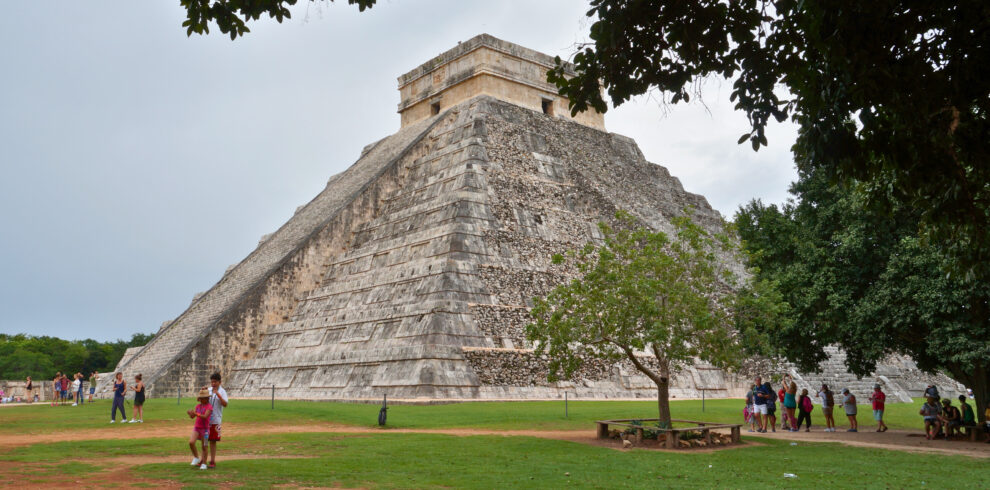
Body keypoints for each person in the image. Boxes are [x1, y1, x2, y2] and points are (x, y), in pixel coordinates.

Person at [206, 372, 228, 469]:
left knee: (213, 441)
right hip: (206, 419)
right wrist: (203, 393)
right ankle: (203, 460)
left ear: (220, 382)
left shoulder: (222, 391)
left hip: (216, 420)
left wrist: (218, 395)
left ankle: (212, 461)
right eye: (212, 382)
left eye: (215, 382)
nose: (213, 384)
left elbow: (225, 404)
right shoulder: (209, 390)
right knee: (204, 440)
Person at [187, 388, 212, 470]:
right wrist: (190, 414)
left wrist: (195, 413)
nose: (200, 400)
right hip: (197, 427)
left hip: (205, 430)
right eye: (200, 398)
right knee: (191, 442)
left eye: (202, 398)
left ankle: (204, 463)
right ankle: (196, 457)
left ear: (207, 398)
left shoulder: (209, 407)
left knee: (204, 446)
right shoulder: (198, 406)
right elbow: (192, 417)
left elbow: (205, 416)